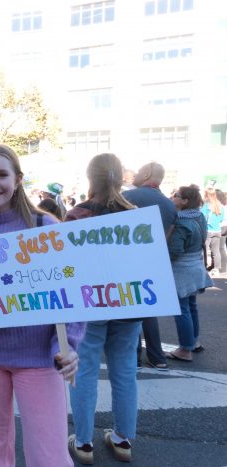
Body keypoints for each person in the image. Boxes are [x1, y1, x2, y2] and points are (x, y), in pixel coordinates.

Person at [0, 145, 82, 467]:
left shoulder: (45, 227)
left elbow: (72, 294)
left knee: (49, 452)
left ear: (18, 179)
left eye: (2, 174)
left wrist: (68, 345)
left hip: (41, 359)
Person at [65, 153, 140, 464]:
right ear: (121, 177)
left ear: (89, 177)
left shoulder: (76, 215)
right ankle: (123, 439)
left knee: (84, 372)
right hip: (128, 302)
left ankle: (83, 442)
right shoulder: (134, 214)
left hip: (89, 303)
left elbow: (67, 264)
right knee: (125, 372)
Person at [123, 162, 176, 370]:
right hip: (153, 261)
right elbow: (168, 236)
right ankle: (157, 356)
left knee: (129, 309)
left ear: (146, 174)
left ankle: (133, 355)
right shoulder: (169, 204)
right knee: (148, 308)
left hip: (128, 261)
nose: (134, 174)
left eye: (138, 170)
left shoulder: (128, 197)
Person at [166, 185, 213, 361]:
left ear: (184, 201)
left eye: (175, 195)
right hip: (196, 267)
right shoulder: (199, 216)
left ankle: (185, 350)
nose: (172, 197)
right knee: (191, 306)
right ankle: (194, 342)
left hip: (183, 270)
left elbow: (175, 251)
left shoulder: (181, 222)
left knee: (181, 309)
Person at [201, 187, 225, 275]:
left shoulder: (206, 205)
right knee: (216, 250)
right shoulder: (220, 205)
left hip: (208, 230)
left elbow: (201, 217)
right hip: (217, 230)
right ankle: (216, 269)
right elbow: (221, 218)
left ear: (206, 195)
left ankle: (204, 268)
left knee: (204, 250)